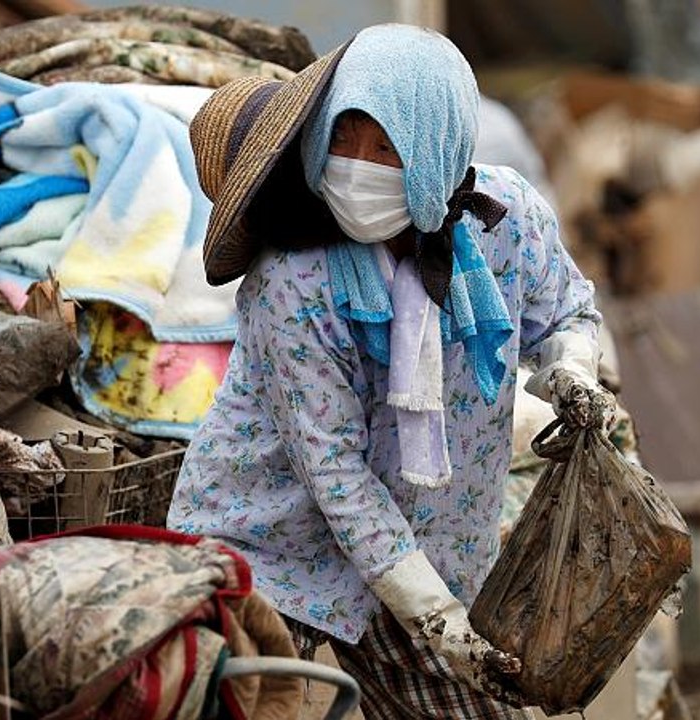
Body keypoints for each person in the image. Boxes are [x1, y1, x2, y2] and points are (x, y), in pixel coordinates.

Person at [167, 24, 615, 720]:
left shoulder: (510, 220)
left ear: (436, 144)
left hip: (430, 544)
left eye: (386, 146)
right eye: (343, 139)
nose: (356, 165)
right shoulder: (294, 280)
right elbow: (337, 475)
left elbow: (568, 314)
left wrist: (573, 373)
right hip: (276, 547)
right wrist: (435, 618)